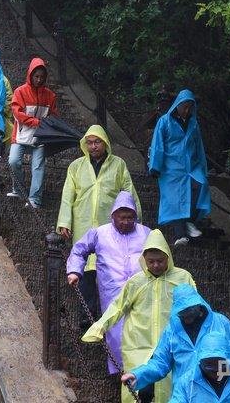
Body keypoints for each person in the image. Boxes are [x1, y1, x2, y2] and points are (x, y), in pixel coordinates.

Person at [83, 230, 195, 403]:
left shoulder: (182, 277)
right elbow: (117, 307)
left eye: (160, 261)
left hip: (171, 343)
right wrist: (99, 327)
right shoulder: (136, 281)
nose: (156, 265)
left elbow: (196, 307)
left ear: (168, 258)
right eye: (151, 261)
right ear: (144, 260)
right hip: (138, 343)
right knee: (133, 386)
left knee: (169, 388)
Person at [57, 125, 141, 328]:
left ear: (105, 143)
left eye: (97, 142)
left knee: (109, 272)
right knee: (85, 273)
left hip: (110, 227)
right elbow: (68, 196)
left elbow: (128, 193)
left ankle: (110, 319)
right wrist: (64, 222)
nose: (93, 146)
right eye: (89, 142)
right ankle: (87, 320)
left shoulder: (118, 165)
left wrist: (135, 222)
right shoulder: (76, 166)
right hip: (83, 223)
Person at [67, 191, 151, 372]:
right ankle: (122, 371)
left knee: (142, 329)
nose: (126, 221)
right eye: (122, 217)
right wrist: (75, 271)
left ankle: (142, 371)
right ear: (113, 215)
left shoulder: (146, 233)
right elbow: (79, 250)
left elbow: (160, 254)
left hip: (142, 291)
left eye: (130, 217)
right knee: (116, 331)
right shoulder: (100, 233)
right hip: (112, 291)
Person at [121, 285, 230, 400]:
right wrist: (138, 375)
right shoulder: (172, 330)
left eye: (189, 311)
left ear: (198, 305)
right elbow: (160, 363)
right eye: (182, 312)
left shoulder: (221, 323)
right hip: (185, 395)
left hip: (217, 394)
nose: (186, 316)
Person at [149, 89, 211, 247]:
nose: (187, 110)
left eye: (190, 107)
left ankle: (190, 221)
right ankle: (180, 234)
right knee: (175, 199)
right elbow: (158, 144)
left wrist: (203, 167)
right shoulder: (165, 121)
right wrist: (155, 166)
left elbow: (199, 147)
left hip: (190, 166)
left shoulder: (193, 123)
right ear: (178, 105)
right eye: (185, 106)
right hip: (171, 168)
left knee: (200, 185)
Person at [8, 57, 58, 208]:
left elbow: (54, 116)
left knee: (38, 166)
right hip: (21, 135)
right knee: (13, 161)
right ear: (30, 75)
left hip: (40, 138)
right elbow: (18, 114)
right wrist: (38, 122)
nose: (39, 79)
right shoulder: (20, 92)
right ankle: (18, 188)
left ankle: (34, 198)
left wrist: (46, 125)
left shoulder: (50, 96)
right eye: (36, 76)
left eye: (42, 77)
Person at [169, 331, 230, 402]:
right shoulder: (187, 382)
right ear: (199, 361)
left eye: (221, 364)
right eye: (209, 364)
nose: (216, 370)